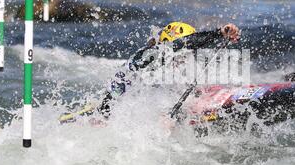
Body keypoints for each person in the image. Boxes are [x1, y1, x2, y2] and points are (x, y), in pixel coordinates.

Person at [97, 22, 240, 117]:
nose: (185, 58)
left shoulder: (170, 64)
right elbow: (185, 43)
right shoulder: (151, 55)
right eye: (184, 53)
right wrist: (219, 33)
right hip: (115, 109)